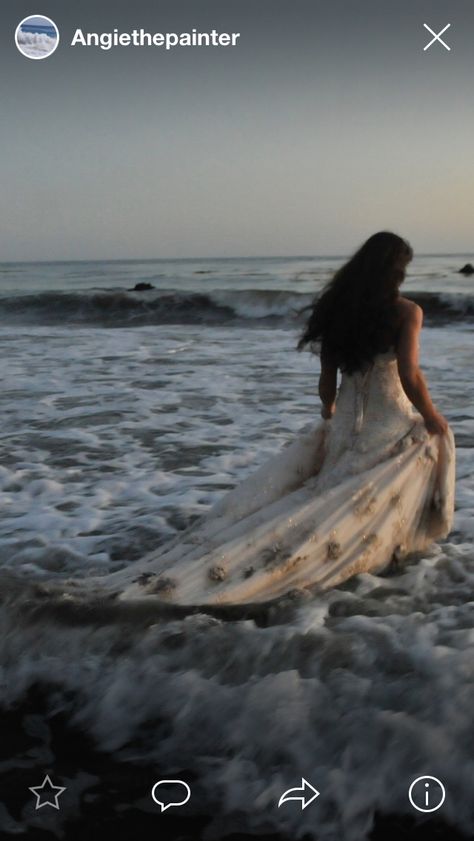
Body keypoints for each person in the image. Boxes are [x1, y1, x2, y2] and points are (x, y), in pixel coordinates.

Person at [108, 232, 455, 608]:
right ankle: (375, 554)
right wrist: (432, 417)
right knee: (415, 451)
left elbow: (328, 380)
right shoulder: (407, 312)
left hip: (344, 426)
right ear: (396, 270)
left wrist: (329, 413)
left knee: (330, 494)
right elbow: (410, 374)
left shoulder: (337, 309)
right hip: (386, 422)